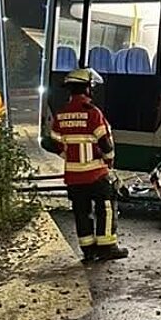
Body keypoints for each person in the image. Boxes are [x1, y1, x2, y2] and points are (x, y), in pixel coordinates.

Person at [41, 68, 129, 262]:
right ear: (87, 88)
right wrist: (109, 161)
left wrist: (69, 155)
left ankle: (88, 251)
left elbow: (54, 142)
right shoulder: (93, 113)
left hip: (73, 176)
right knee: (106, 206)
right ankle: (107, 247)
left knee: (81, 212)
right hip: (96, 174)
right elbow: (106, 143)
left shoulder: (62, 114)